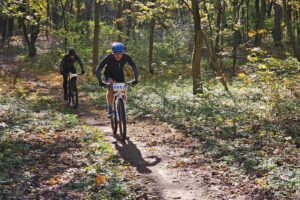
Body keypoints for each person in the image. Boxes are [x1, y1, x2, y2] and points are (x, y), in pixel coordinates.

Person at [96, 42, 138, 117]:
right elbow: (99, 68)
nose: (118, 55)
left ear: (123, 52)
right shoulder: (109, 57)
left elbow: (134, 66)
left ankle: (123, 108)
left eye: (120, 53)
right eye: (116, 53)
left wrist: (136, 78)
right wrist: (100, 80)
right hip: (109, 74)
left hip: (119, 74)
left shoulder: (126, 57)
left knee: (123, 91)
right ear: (113, 53)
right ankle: (109, 109)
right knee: (111, 88)